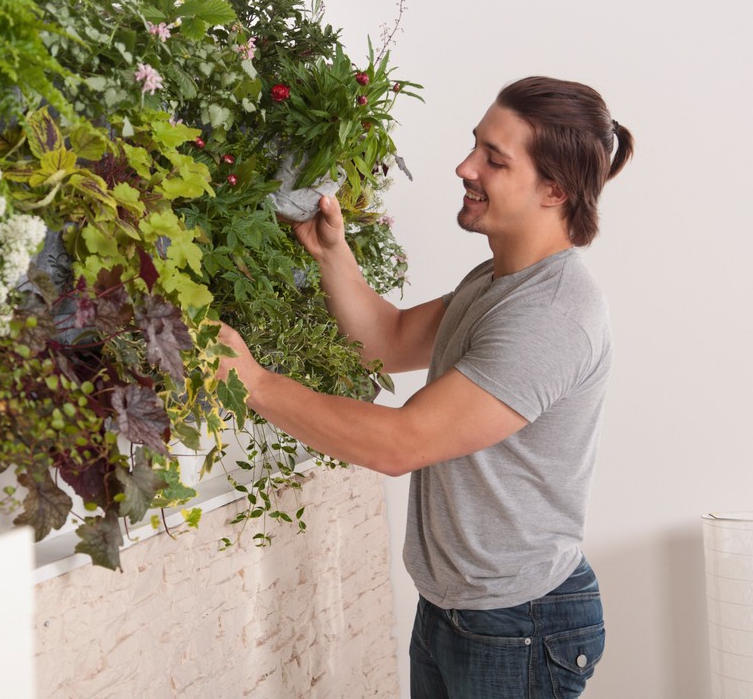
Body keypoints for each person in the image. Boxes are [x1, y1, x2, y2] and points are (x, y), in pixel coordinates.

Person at [217, 76, 634, 698]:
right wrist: (332, 251)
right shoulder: (497, 279)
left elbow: (402, 443)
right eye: (475, 146)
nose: (465, 166)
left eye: (494, 159)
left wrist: (251, 383)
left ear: (555, 189)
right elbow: (388, 340)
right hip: (460, 610)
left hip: (519, 623)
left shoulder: (551, 313)